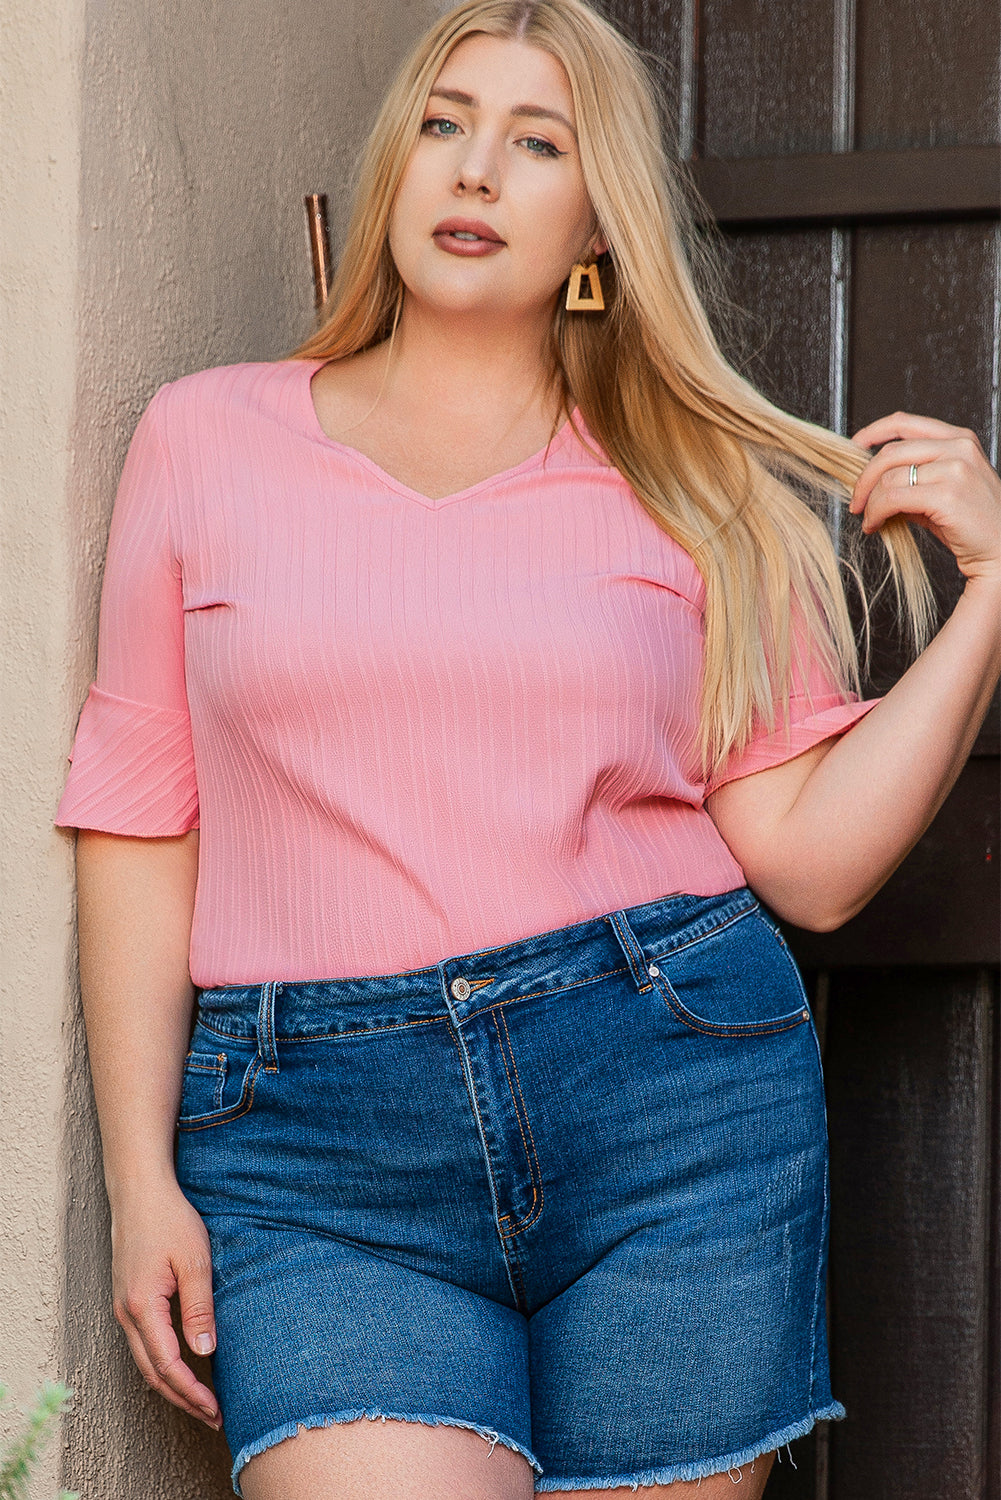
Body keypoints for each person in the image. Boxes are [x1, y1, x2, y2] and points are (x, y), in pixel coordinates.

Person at [55, 1, 1000, 1496]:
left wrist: (994, 601)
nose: (475, 170)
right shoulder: (204, 437)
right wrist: (138, 1177)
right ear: (395, 174)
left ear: (595, 221)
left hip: (665, 1103)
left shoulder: (694, 492)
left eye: (534, 140)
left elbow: (811, 869)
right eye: (444, 125)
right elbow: (139, 814)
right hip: (314, 1152)